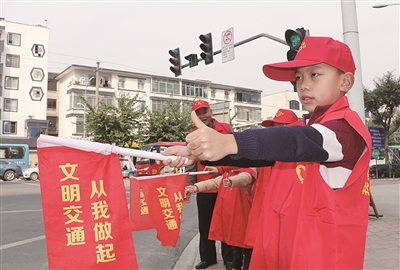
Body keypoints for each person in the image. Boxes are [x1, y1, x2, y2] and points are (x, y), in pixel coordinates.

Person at [163, 36, 372, 269]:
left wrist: (229, 141)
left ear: (345, 81)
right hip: (294, 250)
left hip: (324, 257)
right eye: (299, 77)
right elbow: (263, 154)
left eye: (315, 74)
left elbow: (297, 142)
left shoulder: (345, 130)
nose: (303, 84)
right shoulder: (309, 128)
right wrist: (202, 151)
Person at [185, 167, 257, 270]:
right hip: (234, 225)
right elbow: (213, 182)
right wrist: (194, 188)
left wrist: (232, 181)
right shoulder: (229, 174)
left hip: (245, 225)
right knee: (236, 252)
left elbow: (246, 178)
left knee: (247, 255)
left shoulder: (249, 171)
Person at [189, 100, 233, 270]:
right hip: (204, 186)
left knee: (226, 224)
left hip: (226, 184)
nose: (202, 116)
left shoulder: (226, 130)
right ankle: (208, 259)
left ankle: (229, 259)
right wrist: (189, 185)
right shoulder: (192, 134)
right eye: (198, 113)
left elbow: (235, 156)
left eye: (204, 112)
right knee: (205, 225)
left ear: (211, 111)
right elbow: (191, 163)